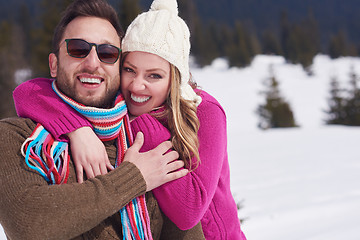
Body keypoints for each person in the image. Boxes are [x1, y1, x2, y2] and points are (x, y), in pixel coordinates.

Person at [13, 0, 247, 239]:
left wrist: (140, 122)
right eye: (130, 70)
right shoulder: (117, 100)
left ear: (174, 79)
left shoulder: (204, 111)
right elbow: (28, 92)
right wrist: (77, 128)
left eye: (154, 75)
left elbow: (190, 210)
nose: (137, 85)